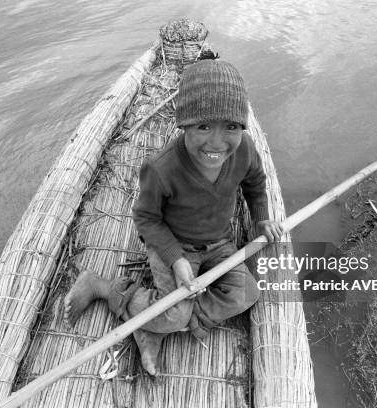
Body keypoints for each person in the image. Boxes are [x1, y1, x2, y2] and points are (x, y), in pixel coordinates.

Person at [64, 59, 283, 375]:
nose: (218, 143)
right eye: (204, 126)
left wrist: (262, 218)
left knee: (247, 293)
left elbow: (255, 183)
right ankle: (102, 287)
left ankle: (157, 325)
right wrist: (176, 259)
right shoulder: (162, 168)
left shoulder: (245, 149)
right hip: (174, 245)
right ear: (184, 124)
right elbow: (146, 219)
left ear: (242, 128)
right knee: (173, 314)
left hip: (219, 243)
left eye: (231, 126)